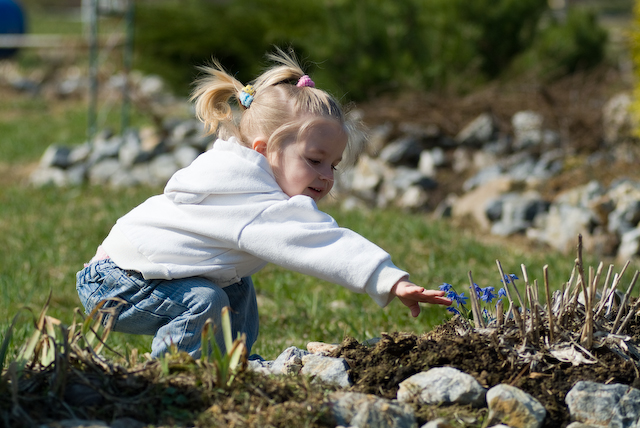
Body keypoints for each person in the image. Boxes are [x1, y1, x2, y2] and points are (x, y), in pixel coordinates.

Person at [76, 49, 452, 359]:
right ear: (265, 150)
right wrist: (389, 280)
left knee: (236, 288)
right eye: (314, 160)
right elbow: (320, 242)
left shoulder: (238, 176)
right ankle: (174, 377)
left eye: (333, 165)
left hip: (131, 273)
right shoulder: (254, 200)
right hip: (116, 286)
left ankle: (233, 362)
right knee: (205, 300)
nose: (326, 176)